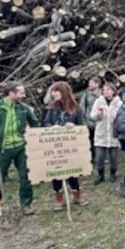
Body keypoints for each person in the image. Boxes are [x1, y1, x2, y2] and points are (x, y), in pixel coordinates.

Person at [0, 82, 40, 222]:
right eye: (20, 92)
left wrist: (32, 136)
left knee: (25, 177)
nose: (24, 95)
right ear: (11, 93)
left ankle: (26, 204)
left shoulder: (24, 108)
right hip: (2, 148)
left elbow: (35, 123)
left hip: (21, 147)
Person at [42, 81, 88, 211]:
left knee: (72, 171)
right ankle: (58, 198)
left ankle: (77, 195)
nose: (54, 93)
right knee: (56, 172)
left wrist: (74, 127)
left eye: (57, 91)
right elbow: (44, 124)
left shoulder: (75, 108)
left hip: (70, 145)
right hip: (54, 145)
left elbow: (82, 126)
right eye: (53, 91)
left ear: (64, 92)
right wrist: (52, 128)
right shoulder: (49, 108)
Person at [90, 82, 122, 184]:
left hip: (113, 133)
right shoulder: (99, 101)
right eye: (104, 90)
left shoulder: (118, 103)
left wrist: (110, 113)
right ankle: (100, 175)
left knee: (113, 156)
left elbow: (121, 116)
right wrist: (98, 115)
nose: (106, 92)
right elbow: (92, 115)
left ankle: (113, 174)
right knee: (99, 157)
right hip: (101, 133)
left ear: (113, 91)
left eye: (108, 90)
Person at [79, 76, 102, 155]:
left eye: (91, 83)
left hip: (101, 121)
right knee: (90, 140)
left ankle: (101, 157)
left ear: (97, 84)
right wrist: (84, 120)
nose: (89, 85)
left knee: (100, 141)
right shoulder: (86, 95)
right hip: (89, 121)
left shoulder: (102, 94)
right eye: (89, 83)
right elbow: (82, 108)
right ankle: (92, 157)